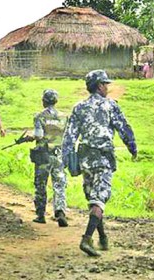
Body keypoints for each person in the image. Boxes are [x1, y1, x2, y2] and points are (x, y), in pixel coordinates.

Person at [62, 70, 137, 257]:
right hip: (103, 158)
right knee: (100, 198)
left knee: (93, 199)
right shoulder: (110, 106)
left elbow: (69, 136)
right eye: (105, 84)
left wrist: (66, 157)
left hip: (85, 158)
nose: (107, 88)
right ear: (99, 85)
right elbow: (124, 128)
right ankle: (87, 239)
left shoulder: (79, 107)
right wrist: (132, 147)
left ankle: (102, 237)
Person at [26, 89, 69, 227]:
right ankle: (60, 211)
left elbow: (38, 135)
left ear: (44, 100)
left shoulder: (40, 116)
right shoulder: (64, 117)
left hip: (43, 155)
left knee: (41, 184)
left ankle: (40, 215)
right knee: (59, 184)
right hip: (59, 154)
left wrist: (29, 137)